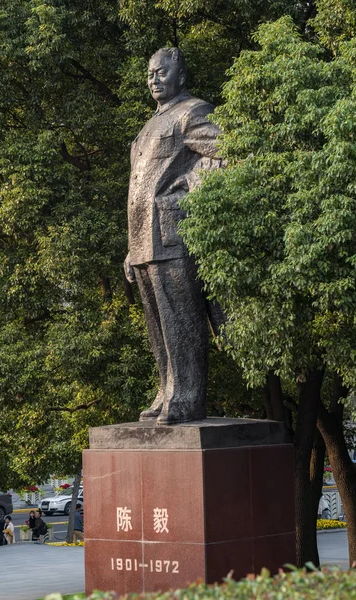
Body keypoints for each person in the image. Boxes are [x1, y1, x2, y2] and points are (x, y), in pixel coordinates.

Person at [124, 47, 224, 425]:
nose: (154, 80)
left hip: (172, 233)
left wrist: (189, 185)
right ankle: (166, 391)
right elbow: (137, 190)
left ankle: (186, 397)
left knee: (182, 321)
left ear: (180, 76)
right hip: (142, 241)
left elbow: (229, 153)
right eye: (150, 74)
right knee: (158, 323)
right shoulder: (149, 126)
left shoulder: (192, 112)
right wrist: (129, 249)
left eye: (161, 73)